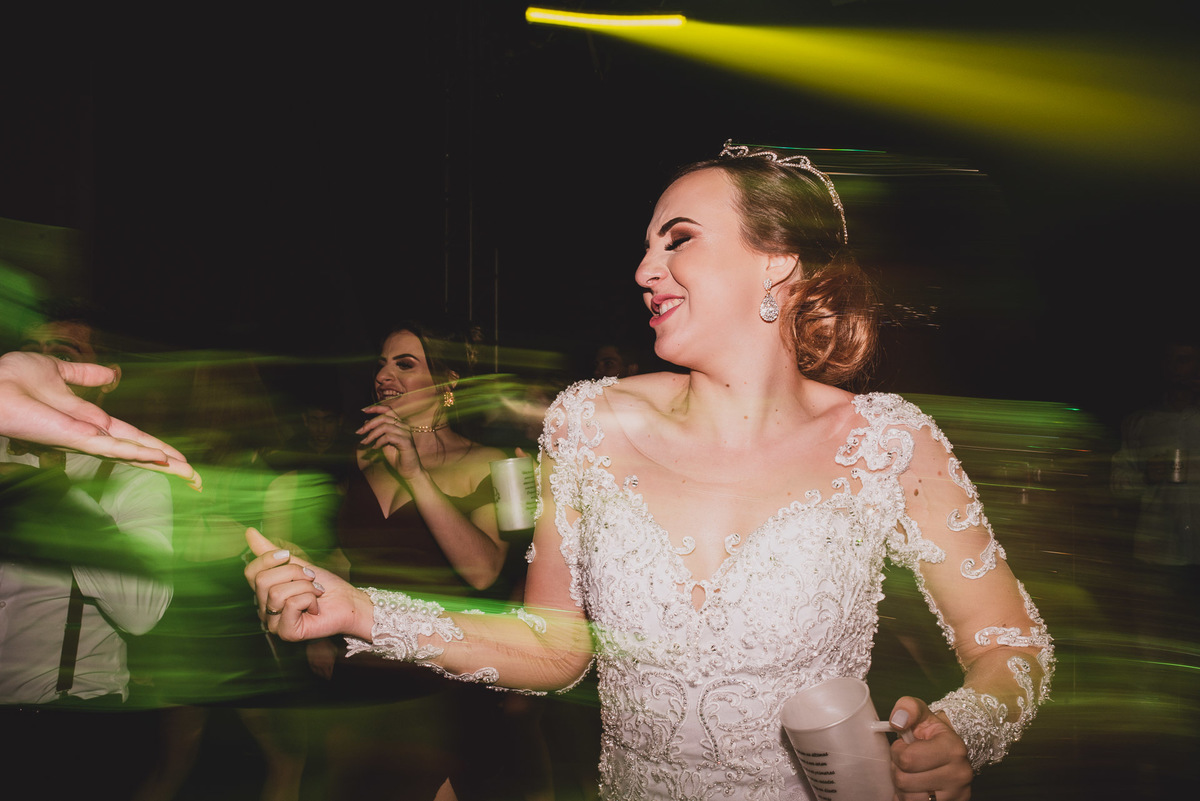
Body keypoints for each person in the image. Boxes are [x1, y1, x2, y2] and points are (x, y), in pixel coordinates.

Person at [246, 142, 1054, 801]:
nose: (644, 270)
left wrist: (959, 731)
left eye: (678, 239)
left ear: (777, 263)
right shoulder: (590, 424)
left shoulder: (888, 443)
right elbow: (554, 647)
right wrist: (359, 609)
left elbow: (1013, 647)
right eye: (645, 247)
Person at [308, 322, 517, 801]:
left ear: (447, 382)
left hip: (443, 676)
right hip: (364, 664)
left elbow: (484, 572)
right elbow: (347, 556)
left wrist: (416, 475)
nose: (385, 375)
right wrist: (317, 616)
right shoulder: (362, 455)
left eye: (405, 364)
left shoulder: (493, 461)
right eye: (382, 363)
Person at [0, 308, 185, 796]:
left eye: (63, 354)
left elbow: (143, 613)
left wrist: (55, 493)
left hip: (74, 728)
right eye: (32, 352)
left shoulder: (131, 476)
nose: (44, 367)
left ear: (105, 379)